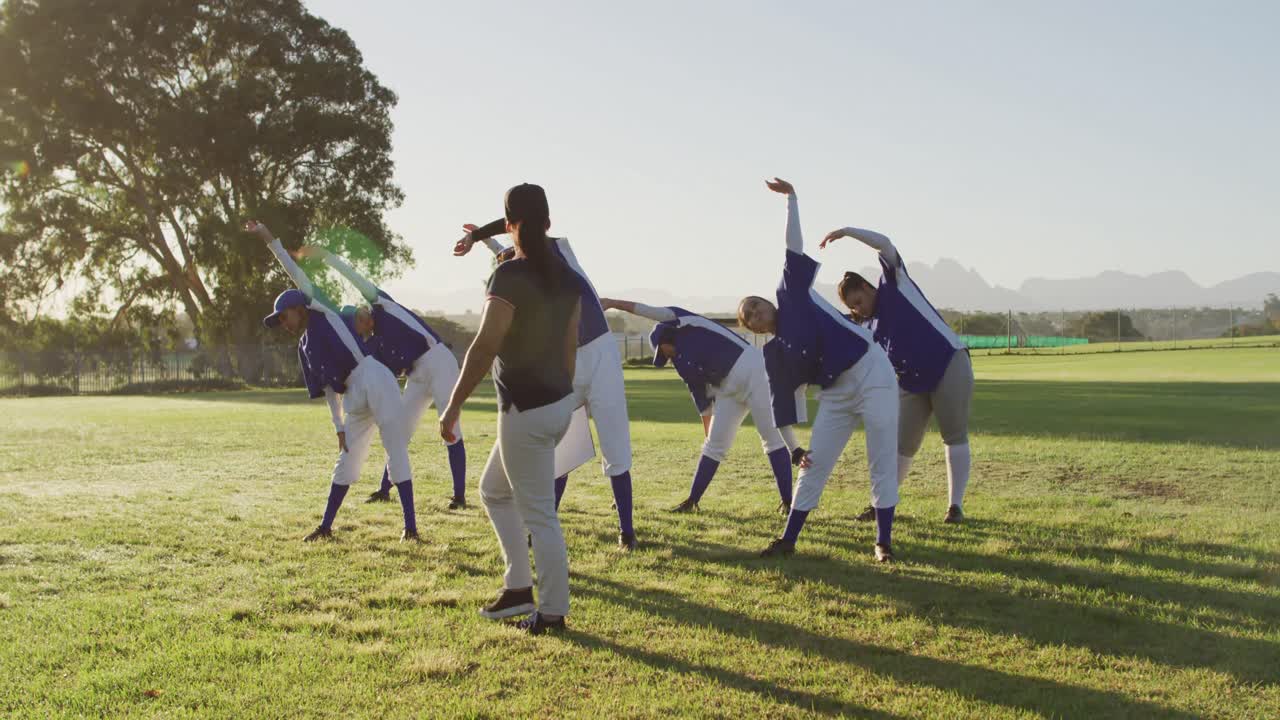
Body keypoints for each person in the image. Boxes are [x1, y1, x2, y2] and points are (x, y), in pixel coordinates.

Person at [439, 183, 581, 635]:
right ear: (549, 223)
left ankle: (553, 613)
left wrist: (452, 407)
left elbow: (483, 349)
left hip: (525, 411)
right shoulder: (570, 277)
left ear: (513, 225)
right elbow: (569, 349)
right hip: (557, 405)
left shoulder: (509, 277)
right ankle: (518, 588)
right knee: (494, 491)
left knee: (540, 515)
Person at [737, 179, 900, 563]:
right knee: (813, 465)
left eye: (756, 307)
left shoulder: (790, 294)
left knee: (880, 456)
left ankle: (883, 542)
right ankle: (788, 540)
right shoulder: (773, 354)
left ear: (767, 302)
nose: (757, 316)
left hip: (871, 372)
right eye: (749, 320)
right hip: (837, 392)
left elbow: (792, 246)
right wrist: (795, 450)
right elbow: (780, 408)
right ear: (754, 331)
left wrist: (792, 200)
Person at [453, 216, 638, 553]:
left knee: (615, 443)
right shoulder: (524, 279)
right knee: (560, 447)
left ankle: (627, 531)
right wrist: (488, 245)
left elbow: (520, 228)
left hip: (599, 353)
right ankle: (542, 529)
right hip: (565, 359)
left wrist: (482, 237)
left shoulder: (558, 250)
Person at [250, 220, 418, 542]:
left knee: (394, 448)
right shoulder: (304, 347)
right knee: (346, 462)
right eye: (279, 321)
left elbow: (291, 270)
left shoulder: (321, 309)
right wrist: (339, 428)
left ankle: (410, 527)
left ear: (299, 308)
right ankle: (326, 527)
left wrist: (268, 237)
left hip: (374, 376)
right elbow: (329, 391)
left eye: (284, 316)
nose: (283, 323)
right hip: (354, 392)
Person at [294, 246, 469, 511]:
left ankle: (459, 496)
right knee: (399, 431)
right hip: (417, 374)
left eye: (359, 315)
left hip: (438, 360)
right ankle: (385, 489)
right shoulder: (372, 345)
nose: (361, 318)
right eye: (356, 321)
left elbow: (353, 276)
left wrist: (328, 258)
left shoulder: (380, 304)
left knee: (450, 428)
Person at [821, 225, 974, 523]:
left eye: (858, 301)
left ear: (867, 287)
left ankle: (955, 507)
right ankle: (881, 504)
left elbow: (885, 244)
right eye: (852, 308)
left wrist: (848, 232)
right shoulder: (868, 325)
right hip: (911, 380)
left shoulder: (894, 282)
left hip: (948, 362)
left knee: (953, 434)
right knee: (901, 445)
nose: (858, 309)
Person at [599, 298, 793, 514]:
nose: (666, 357)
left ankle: (788, 501)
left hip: (756, 374)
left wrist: (612, 303)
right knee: (713, 446)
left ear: (666, 338)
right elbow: (701, 399)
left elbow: (649, 310)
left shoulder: (684, 321)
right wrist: (708, 431)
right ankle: (692, 501)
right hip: (728, 390)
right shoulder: (681, 362)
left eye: (663, 351)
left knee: (772, 440)